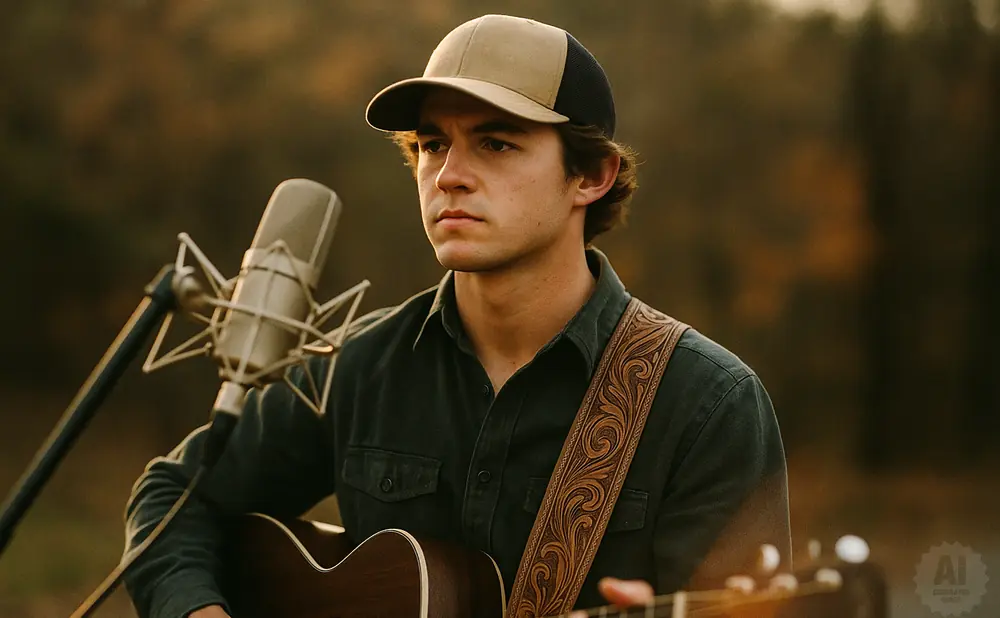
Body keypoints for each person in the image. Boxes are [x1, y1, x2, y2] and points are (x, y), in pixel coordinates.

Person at [122, 13, 791, 618]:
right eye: (433, 144)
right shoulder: (357, 363)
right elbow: (173, 499)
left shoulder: (707, 406)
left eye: (495, 144)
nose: (447, 176)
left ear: (592, 176)